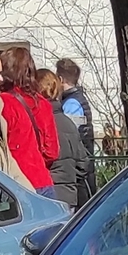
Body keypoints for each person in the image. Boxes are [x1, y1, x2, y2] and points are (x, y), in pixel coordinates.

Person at [0, 47, 64, 195]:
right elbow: (52, 152)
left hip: (15, 182)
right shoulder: (43, 103)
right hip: (43, 180)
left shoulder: (2, 102)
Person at [35, 71, 91, 201]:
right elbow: (82, 163)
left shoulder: (36, 121)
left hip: (44, 192)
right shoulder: (68, 123)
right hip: (69, 194)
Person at [54, 58, 95, 157]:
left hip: (77, 162)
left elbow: (67, 134)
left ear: (60, 79)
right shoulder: (76, 99)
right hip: (83, 160)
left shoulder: (71, 103)